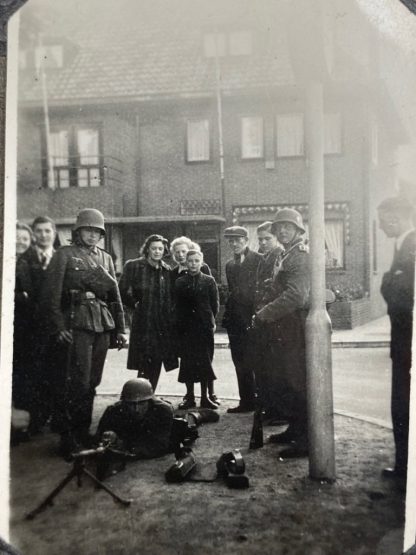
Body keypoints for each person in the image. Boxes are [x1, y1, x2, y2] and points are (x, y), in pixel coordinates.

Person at [42, 208, 127, 457]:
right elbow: (50, 297)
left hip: (101, 324)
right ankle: (67, 437)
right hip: (75, 323)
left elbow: (115, 296)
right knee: (74, 382)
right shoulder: (64, 255)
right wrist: (58, 327)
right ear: (78, 231)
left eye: (97, 232)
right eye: (88, 230)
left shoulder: (106, 258)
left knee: (92, 381)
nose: (93, 236)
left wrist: (120, 329)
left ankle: (82, 432)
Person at [254, 208, 310, 458]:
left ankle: (307, 441)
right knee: (288, 381)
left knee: (298, 383)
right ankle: (295, 430)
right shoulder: (286, 255)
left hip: (295, 327)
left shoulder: (299, 255)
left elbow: (296, 295)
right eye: (279, 227)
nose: (283, 231)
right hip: (284, 327)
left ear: (298, 229)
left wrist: (264, 313)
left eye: (288, 227)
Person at [378, 196, 415, 489]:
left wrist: (389, 282)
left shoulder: (411, 245)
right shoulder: (401, 245)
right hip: (402, 342)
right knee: (401, 406)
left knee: (404, 405)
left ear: (396, 217)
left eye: (383, 219)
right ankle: (403, 465)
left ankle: (406, 468)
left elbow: (399, 292)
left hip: (408, 342)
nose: (380, 226)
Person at [119, 234, 178, 391]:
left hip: (161, 324)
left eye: (160, 249)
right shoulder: (133, 266)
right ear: (147, 249)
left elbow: (171, 296)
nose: (157, 252)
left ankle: (150, 396)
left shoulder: (166, 270)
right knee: (144, 360)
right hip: (143, 322)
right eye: (153, 248)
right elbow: (122, 290)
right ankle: (140, 397)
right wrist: (134, 304)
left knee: (157, 360)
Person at [19, 216, 57, 433]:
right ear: (34, 234)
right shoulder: (24, 259)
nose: (43, 235)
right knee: (33, 373)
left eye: (47, 231)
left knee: (56, 372)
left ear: (54, 233)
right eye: (39, 231)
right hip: (31, 328)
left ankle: (51, 416)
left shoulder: (61, 257)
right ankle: (35, 420)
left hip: (55, 326)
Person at [222, 226, 262, 413]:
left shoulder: (258, 260)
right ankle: (246, 401)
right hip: (235, 321)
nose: (234, 244)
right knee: (239, 361)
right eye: (231, 240)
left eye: (238, 240)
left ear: (246, 240)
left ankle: (261, 401)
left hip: (252, 319)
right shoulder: (230, 265)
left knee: (256, 360)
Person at [175, 249, 220, 409]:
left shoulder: (209, 281)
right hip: (186, 328)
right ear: (186, 263)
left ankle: (205, 397)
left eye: (196, 261)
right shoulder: (180, 282)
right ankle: (190, 397)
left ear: (201, 263)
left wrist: (210, 321)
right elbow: (177, 306)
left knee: (205, 361)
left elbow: (215, 305)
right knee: (187, 362)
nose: (193, 264)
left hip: (204, 327)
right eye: (190, 261)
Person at [253, 222, 285, 419]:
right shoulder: (264, 257)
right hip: (264, 318)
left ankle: (277, 410)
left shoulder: (279, 256)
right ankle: (270, 407)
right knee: (265, 366)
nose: (263, 243)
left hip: (275, 320)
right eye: (260, 239)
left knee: (275, 368)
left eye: (267, 239)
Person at [96, 378, 174, 459]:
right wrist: (109, 436)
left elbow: (160, 445)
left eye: (141, 403)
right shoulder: (113, 410)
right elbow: (98, 438)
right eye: (131, 404)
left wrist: (125, 446)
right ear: (124, 402)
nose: (136, 409)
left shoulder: (162, 411)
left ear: (149, 401)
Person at [12, 223, 33, 442]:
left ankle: (18, 428)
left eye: (25, 239)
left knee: (21, 378)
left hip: (23, 330)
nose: (21, 241)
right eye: (17, 237)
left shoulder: (26, 263)